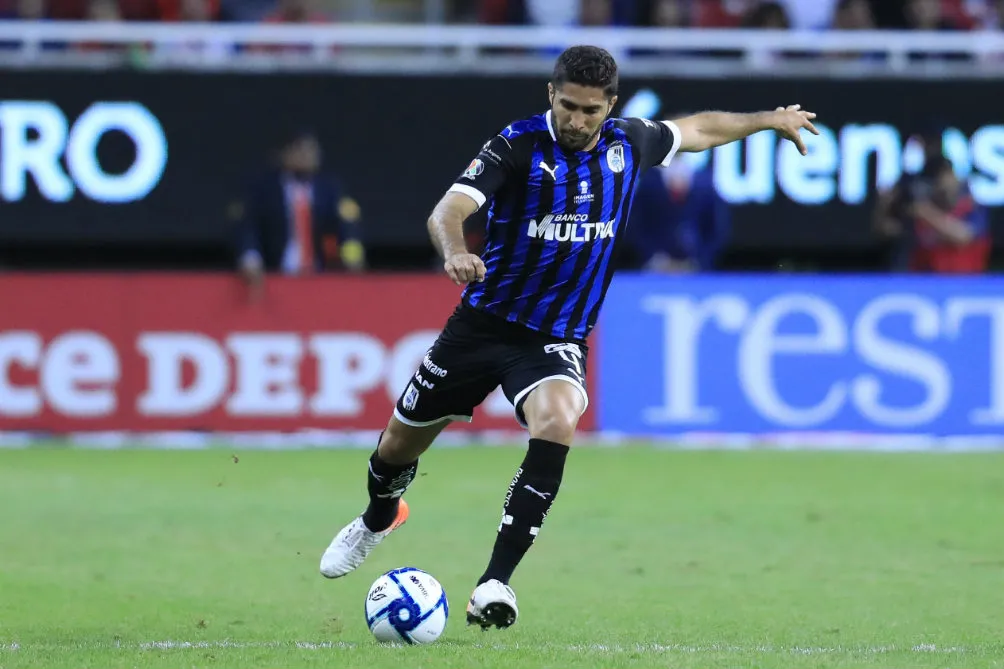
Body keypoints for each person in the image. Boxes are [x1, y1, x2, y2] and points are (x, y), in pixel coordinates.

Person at [319, 45, 818, 630]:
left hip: (554, 338)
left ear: (611, 106)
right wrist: (456, 252)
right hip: (482, 326)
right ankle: (381, 516)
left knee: (558, 419)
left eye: (589, 110)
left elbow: (700, 128)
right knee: (396, 448)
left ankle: (495, 582)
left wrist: (770, 120)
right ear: (549, 96)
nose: (577, 121)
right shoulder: (518, 144)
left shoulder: (629, 143)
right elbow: (447, 211)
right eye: (567, 106)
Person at [234, 129, 364, 296]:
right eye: (300, 150)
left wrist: (352, 256)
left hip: (319, 278)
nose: (307, 156)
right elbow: (247, 226)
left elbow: (348, 225)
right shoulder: (264, 189)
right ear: (285, 154)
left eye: (312, 150)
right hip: (275, 277)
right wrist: (250, 258)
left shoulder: (330, 189)